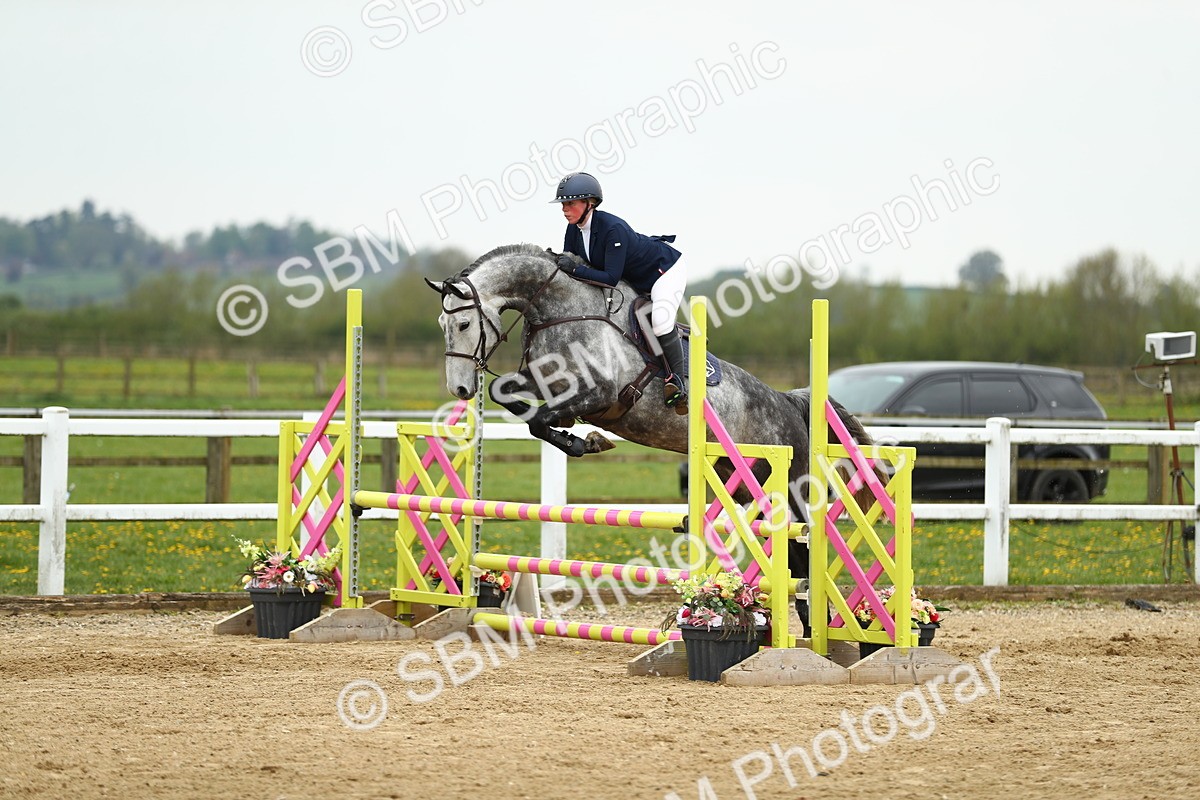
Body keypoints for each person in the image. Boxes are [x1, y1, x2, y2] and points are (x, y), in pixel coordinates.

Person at [550, 172, 690, 413]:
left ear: (589, 203)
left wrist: (573, 268)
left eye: (570, 203)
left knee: (660, 321)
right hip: (635, 279)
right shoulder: (573, 230)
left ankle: (677, 382)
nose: (564, 209)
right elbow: (572, 264)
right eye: (563, 204)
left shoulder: (612, 229)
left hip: (664, 272)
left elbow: (609, 278)